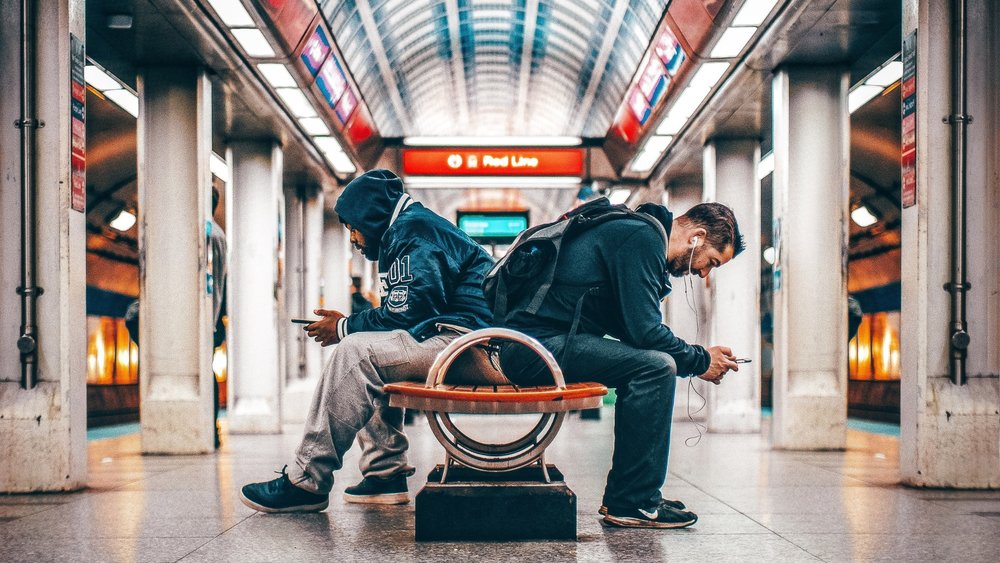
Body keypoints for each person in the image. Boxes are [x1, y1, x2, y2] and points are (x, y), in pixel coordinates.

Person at [240, 169, 504, 513]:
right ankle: (384, 475)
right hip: (466, 339)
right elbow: (410, 314)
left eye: (354, 226)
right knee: (373, 348)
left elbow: (408, 313)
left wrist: (344, 328)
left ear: (372, 216)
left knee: (356, 352)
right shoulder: (411, 229)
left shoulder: (415, 233)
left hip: (473, 345)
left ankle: (307, 480)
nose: (353, 237)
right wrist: (351, 325)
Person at [497, 201, 745, 529]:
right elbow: (645, 331)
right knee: (655, 367)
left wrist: (690, 356)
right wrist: (700, 360)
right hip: (532, 349)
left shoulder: (638, 233)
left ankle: (633, 496)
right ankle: (634, 500)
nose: (702, 273)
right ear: (696, 237)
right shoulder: (641, 238)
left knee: (654, 363)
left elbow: (632, 328)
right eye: (710, 262)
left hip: (537, 343)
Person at [209, 187, 228, 449]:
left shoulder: (209, 235)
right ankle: (211, 426)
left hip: (208, 319)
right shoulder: (219, 234)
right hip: (215, 318)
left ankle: (209, 427)